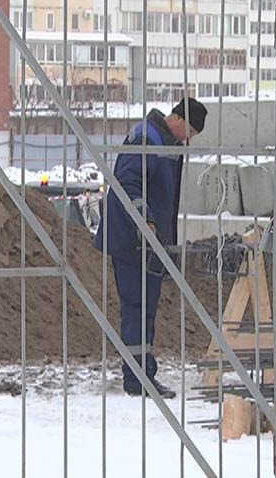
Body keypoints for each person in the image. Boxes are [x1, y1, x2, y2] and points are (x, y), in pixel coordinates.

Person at [94, 98, 208, 399]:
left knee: (146, 307)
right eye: (192, 131)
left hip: (150, 241)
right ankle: (137, 378)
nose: (190, 139)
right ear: (180, 119)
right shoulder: (147, 137)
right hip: (132, 238)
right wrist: (145, 221)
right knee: (136, 306)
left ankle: (143, 373)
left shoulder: (168, 144)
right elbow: (128, 183)